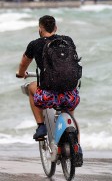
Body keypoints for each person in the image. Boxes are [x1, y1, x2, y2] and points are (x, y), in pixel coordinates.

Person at [15, 15, 81, 155]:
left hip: (48, 96)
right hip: (70, 95)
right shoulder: (67, 40)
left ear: (40, 29)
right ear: (56, 28)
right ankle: (78, 149)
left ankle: (40, 126)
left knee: (30, 88)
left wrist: (21, 74)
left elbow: (23, 64)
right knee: (71, 118)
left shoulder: (35, 44)